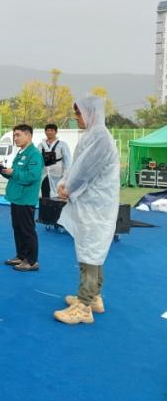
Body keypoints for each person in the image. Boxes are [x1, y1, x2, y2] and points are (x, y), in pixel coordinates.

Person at [53, 97, 119, 324]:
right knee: (92, 251)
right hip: (90, 204)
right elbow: (77, 166)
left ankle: (84, 306)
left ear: (91, 112)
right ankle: (93, 296)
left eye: (79, 113)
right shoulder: (93, 135)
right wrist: (65, 183)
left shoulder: (100, 136)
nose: (77, 118)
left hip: (95, 206)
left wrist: (68, 187)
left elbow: (85, 170)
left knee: (90, 252)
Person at [1, 124, 44, 272]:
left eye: (18, 135)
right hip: (17, 197)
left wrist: (13, 173)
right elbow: (16, 174)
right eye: (14, 135)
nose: (15, 138)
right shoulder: (21, 153)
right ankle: (21, 256)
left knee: (27, 230)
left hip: (26, 199)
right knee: (18, 228)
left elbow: (32, 176)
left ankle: (31, 261)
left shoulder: (34, 154)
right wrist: (4, 171)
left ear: (28, 136)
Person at [38, 123, 71, 198]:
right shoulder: (41, 145)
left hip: (57, 175)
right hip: (44, 174)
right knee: (44, 194)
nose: (49, 132)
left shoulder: (62, 144)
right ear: (45, 132)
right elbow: (37, 159)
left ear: (56, 132)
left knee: (57, 194)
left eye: (52, 130)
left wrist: (66, 175)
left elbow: (68, 161)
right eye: (47, 130)